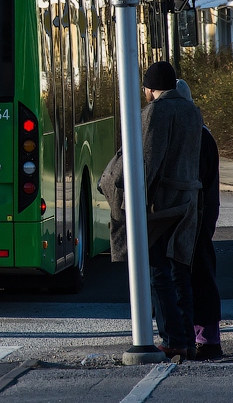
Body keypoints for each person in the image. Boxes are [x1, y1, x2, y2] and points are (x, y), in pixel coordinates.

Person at [97, 61, 203, 361]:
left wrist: (130, 204)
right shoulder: (192, 111)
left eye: (145, 88)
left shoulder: (155, 113)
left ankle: (172, 340)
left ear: (150, 88)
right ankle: (187, 339)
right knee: (180, 271)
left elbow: (146, 161)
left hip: (161, 206)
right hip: (187, 203)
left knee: (156, 271)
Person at [177, 79, 223, 361]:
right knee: (200, 274)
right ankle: (204, 337)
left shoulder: (196, 136)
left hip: (196, 217)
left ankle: (205, 339)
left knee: (197, 276)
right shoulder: (203, 133)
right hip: (202, 215)